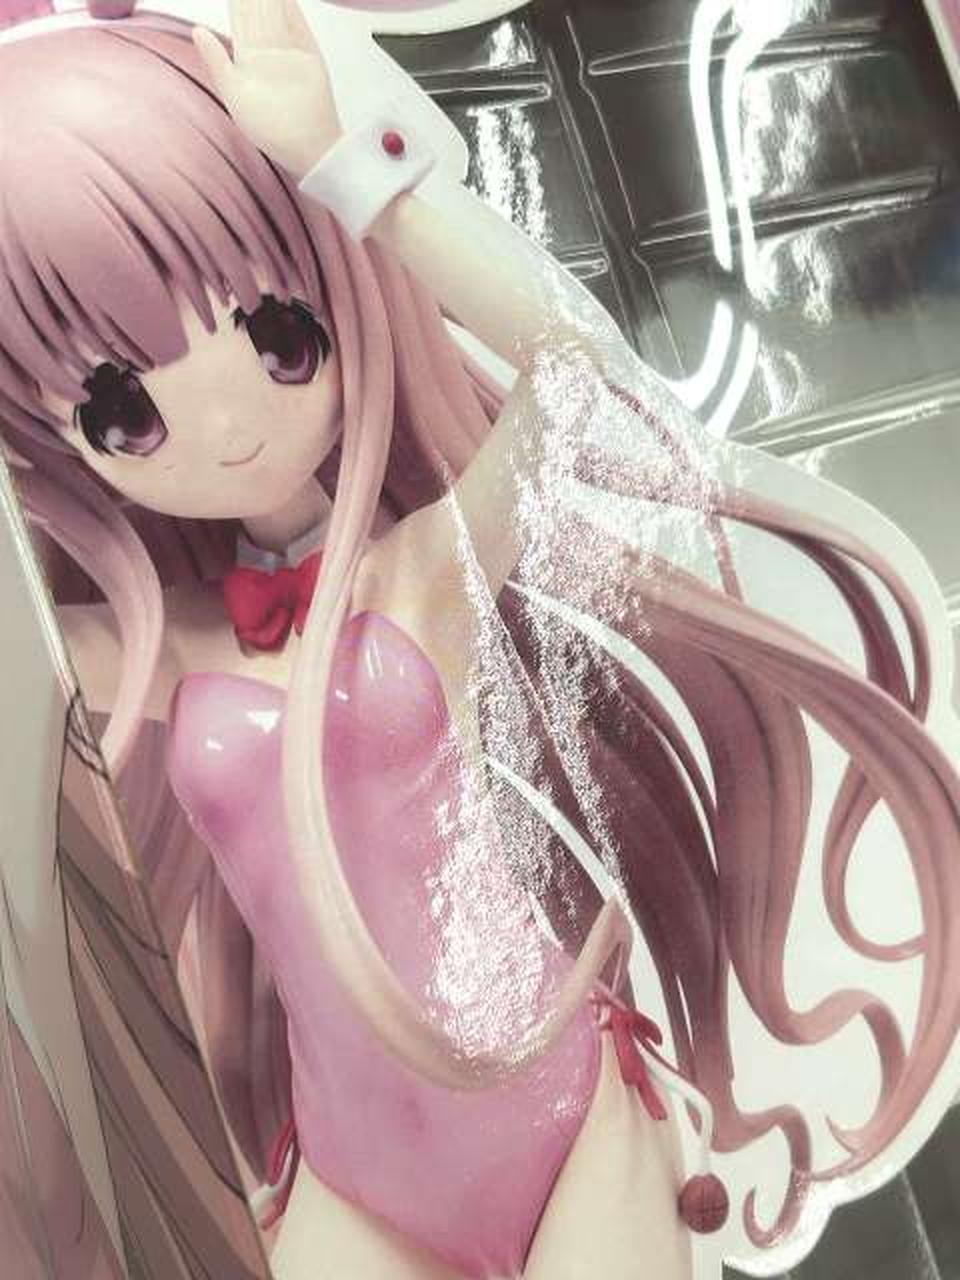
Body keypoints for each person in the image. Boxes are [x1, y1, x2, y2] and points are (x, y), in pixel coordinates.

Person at [3, 2, 960, 1276]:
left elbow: (582, 370)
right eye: (119, 405)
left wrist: (350, 164)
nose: (227, 427)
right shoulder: (136, 652)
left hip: (560, 1103)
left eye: (277, 335)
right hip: (347, 1168)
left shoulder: (422, 567)